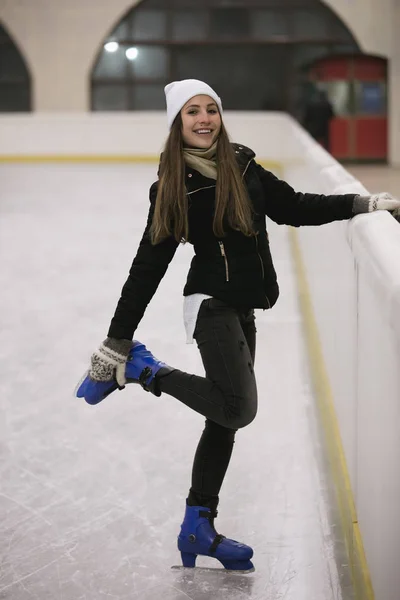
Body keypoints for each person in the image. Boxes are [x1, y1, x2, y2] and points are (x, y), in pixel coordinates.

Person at [76, 79, 400, 573]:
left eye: (211, 109)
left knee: (222, 421)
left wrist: (360, 205)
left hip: (244, 307)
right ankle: (143, 371)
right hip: (211, 307)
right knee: (237, 408)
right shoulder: (172, 188)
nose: (204, 119)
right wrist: (118, 340)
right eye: (192, 113)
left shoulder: (242, 163)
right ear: (176, 123)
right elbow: (148, 265)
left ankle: (196, 526)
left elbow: (292, 206)